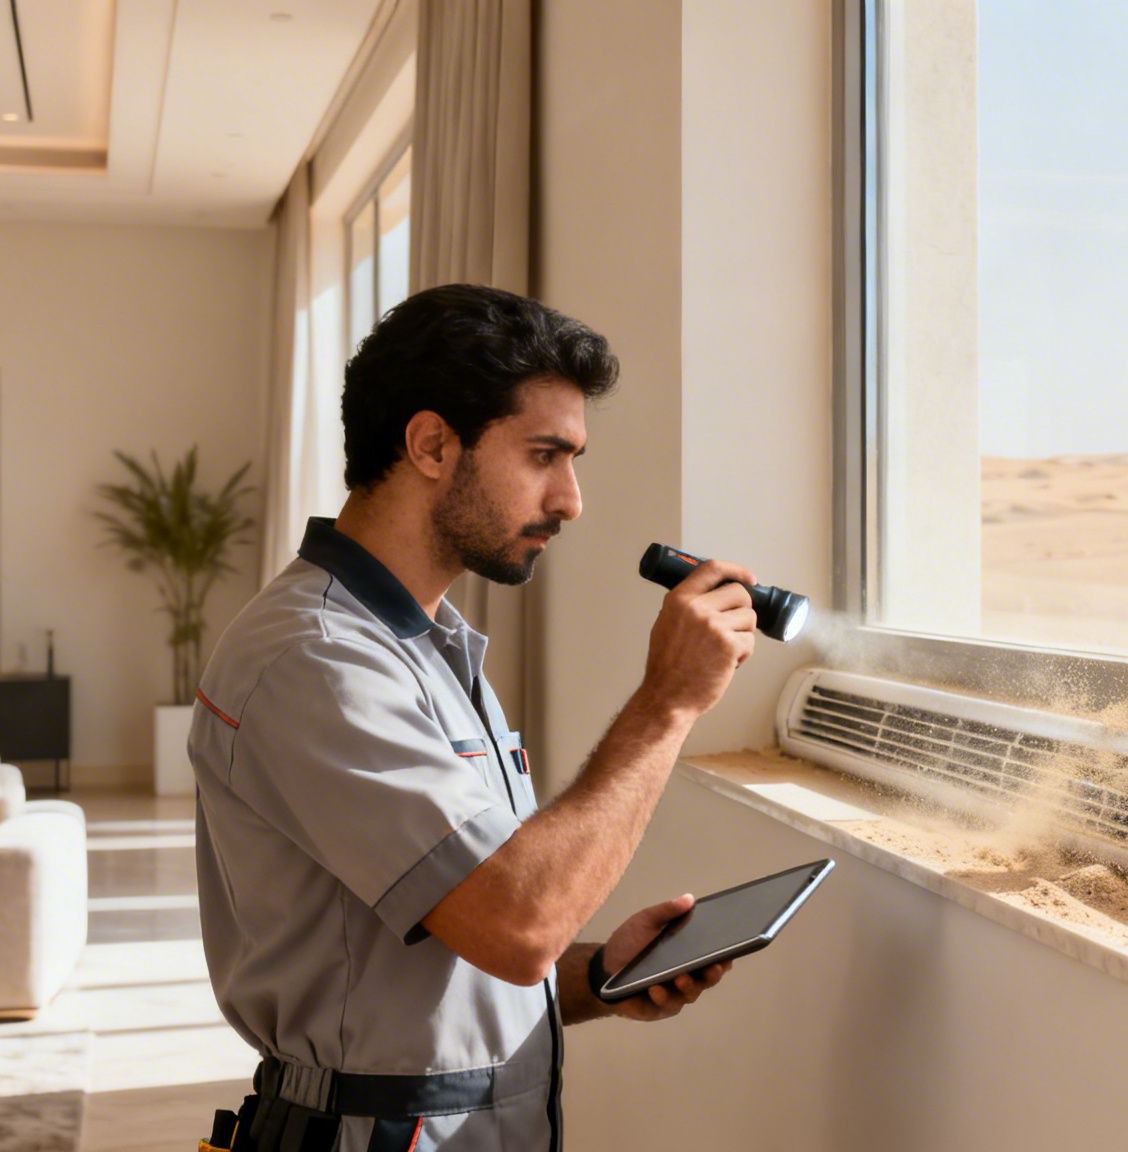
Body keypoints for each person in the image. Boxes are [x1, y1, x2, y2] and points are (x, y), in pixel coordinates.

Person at [188, 283, 758, 1152]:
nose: (570, 500)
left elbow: (447, 942)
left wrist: (599, 974)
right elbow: (515, 924)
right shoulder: (315, 659)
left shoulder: (426, 646)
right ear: (429, 444)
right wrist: (668, 702)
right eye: (544, 455)